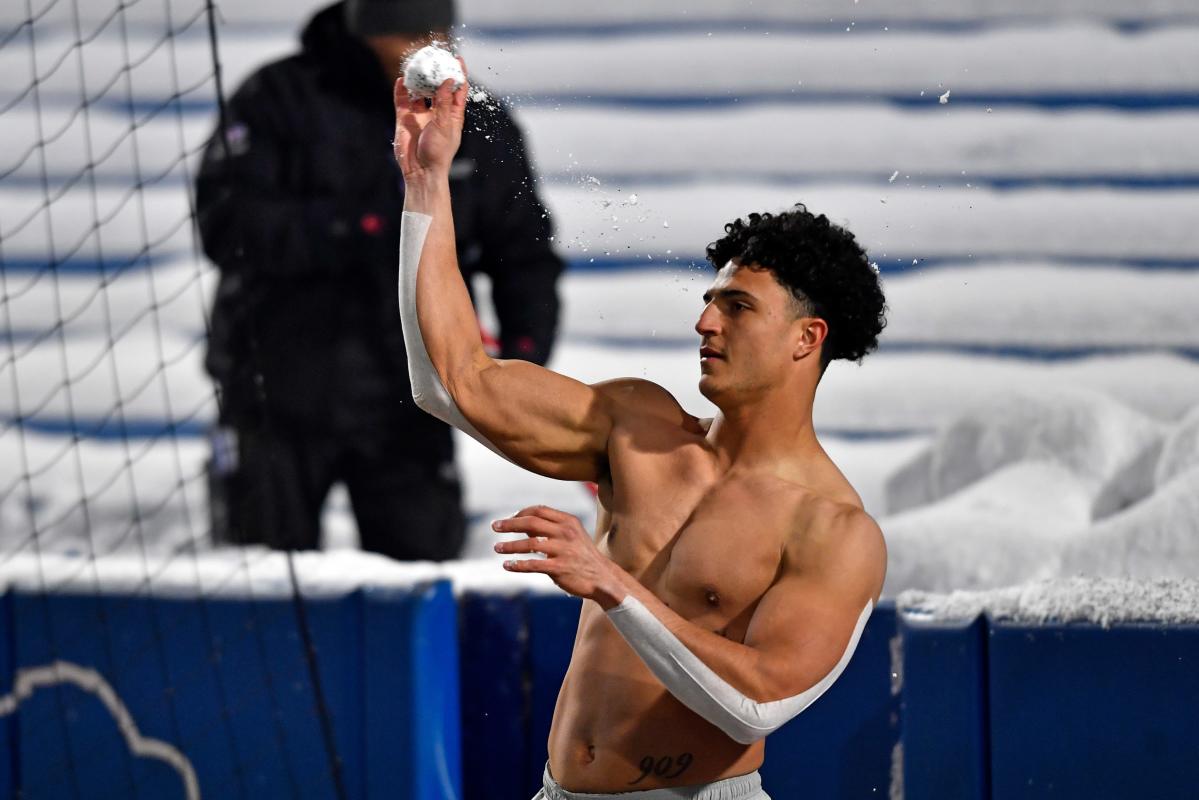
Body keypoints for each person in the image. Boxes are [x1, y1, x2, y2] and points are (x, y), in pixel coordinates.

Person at [395, 67, 889, 798]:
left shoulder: (832, 528)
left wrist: (610, 584)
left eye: (736, 307)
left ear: (804, 338)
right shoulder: (640, 427)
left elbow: (756, 701)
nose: (703, 322)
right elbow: (450, 383)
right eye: (707, 301)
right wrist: (424, 180)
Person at [195, 0, 562, 560]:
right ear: (366, 31)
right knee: (262, 589)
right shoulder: (277, 98)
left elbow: (524, 256)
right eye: (411, 32)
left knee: (419, 576)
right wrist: (359, 224)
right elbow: (226, 227)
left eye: (440, 30)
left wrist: (522, 363)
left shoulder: (475, 120)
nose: (430, 46)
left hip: (411, 401)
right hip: (275, 395)